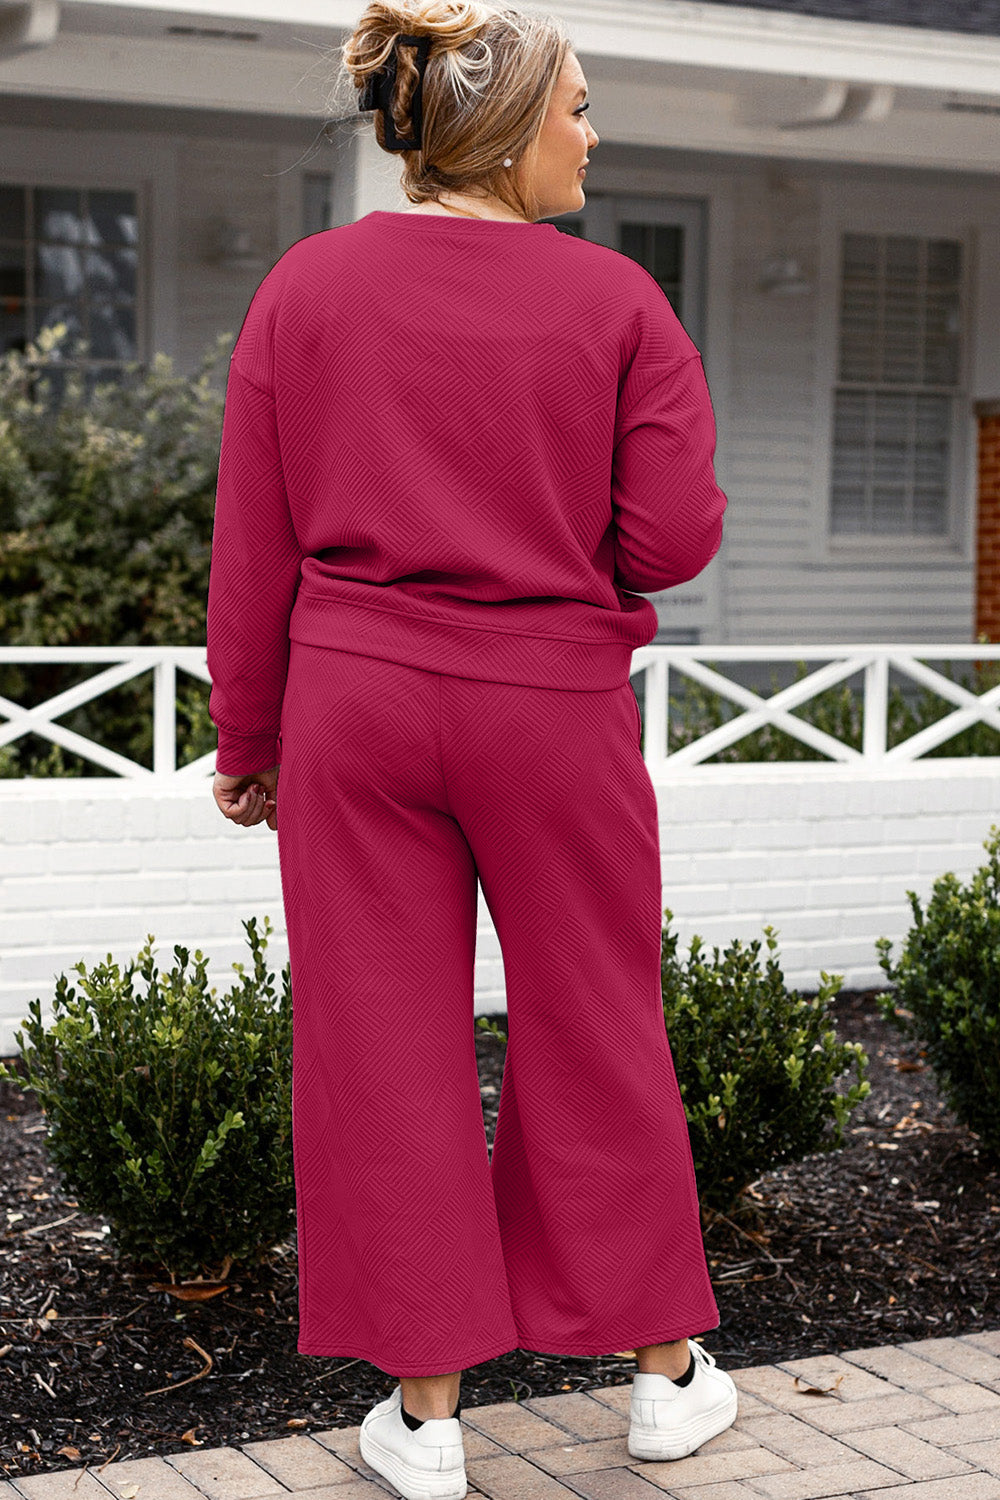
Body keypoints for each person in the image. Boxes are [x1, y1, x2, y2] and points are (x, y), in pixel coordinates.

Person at [206, 2, 737, 1496]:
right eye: (579, 105)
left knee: (382, 1046)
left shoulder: (307, 289)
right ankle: (663, 1378)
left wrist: (252, 735)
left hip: (357, 704)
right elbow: (672, 539)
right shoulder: (620, 304)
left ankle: (428, 1425)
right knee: (595, 1018)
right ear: (508, 133)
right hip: (548, 708)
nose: (593, 129)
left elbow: (254, 546)